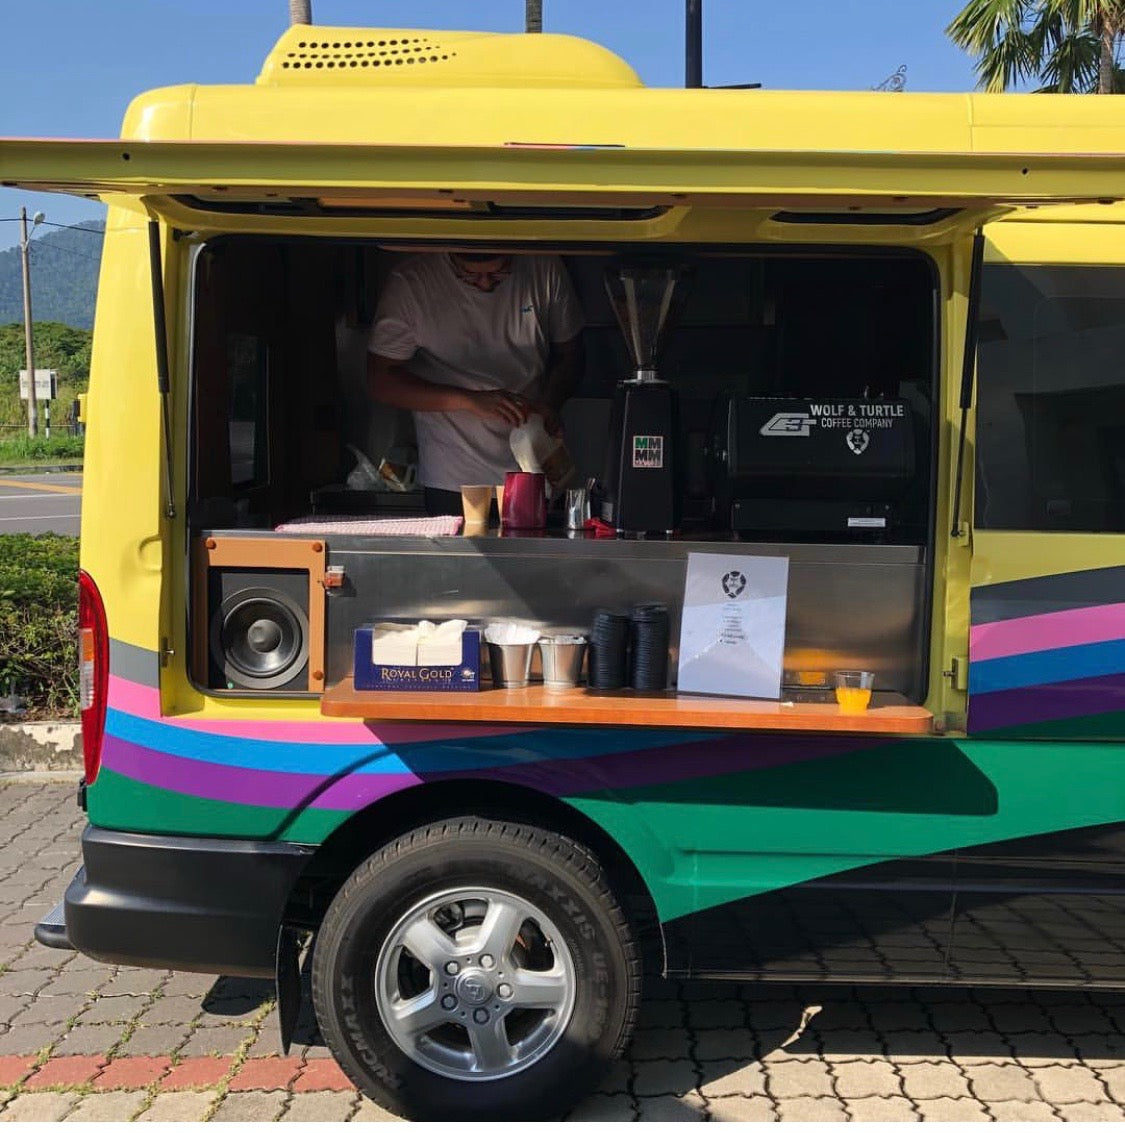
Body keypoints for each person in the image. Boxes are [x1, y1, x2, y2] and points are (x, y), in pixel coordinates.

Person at [367, 250, 584, 516]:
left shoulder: (543, 266)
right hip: (454, 477)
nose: (485, 283)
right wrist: (468, 400)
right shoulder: (413, 283)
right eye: (468, 275)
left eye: (498, 273)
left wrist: (550, 404)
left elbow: (571, 354)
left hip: (535, 466)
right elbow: (381, 381)